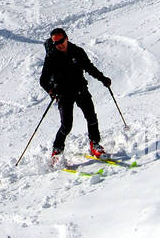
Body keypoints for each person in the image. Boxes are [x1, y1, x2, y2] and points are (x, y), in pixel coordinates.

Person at [39, 27, 111, 163]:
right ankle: (57, 149)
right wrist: (51, 91)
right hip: (63, 94)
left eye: (61, 40)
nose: (59, 44)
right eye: (56, 43)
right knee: (66, 125)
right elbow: (43, 80)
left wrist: (103, 79)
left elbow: (89, 67)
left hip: (80, 89)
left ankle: (95, 144)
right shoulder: (52, 57)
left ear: (66, 38)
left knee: (91, 117)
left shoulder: (77, 51)